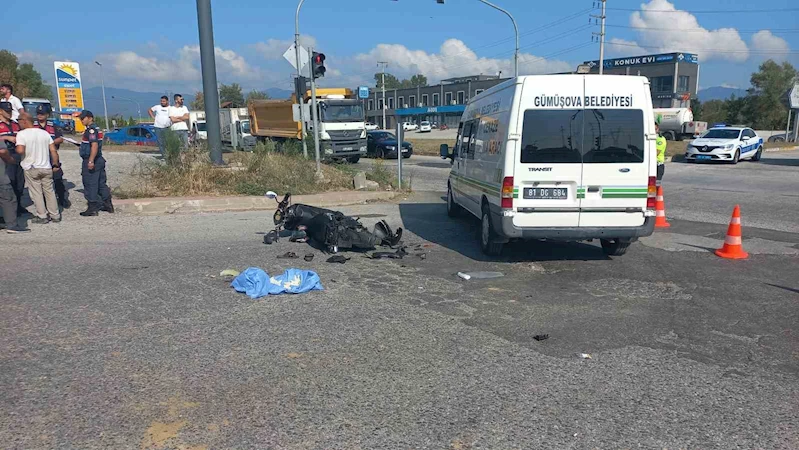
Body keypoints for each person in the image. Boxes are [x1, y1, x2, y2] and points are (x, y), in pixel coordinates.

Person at [15, 112, 60, 224]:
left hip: (31, 167)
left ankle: (42, 215)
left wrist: (16, 148)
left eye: (19, 121)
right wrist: (55, 164)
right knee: (49, 191)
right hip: (46, 166)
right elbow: (53, 150)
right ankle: (55, 215)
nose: (18, 123)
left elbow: (20, 150)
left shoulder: (21, 134)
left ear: (25, 121)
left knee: (36, 193)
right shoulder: (44, 133)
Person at [75, 110, 113, 216]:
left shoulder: (91, 130)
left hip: (92, 160)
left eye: (83, 118)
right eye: (80, 118)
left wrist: (91, 160)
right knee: (101, 183)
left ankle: (92, 208)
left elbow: (94, 145)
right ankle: (107, 204)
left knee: (90, 183)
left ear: (90, 118)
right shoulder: (96, 129)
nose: (81, 120)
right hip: (99, 159)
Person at [34, 104, 70, 209]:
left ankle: (62, 198)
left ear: (47, 114)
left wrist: (51, 142)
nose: (40, 116)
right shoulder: (33, 126)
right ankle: (44, 201)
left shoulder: (53, 125)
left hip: (51, 154)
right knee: (41, 179)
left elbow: (61, 138)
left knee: (57, 177)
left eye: (42, 114)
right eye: (38, 113)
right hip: (38, 155)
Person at [0, 102, 25, 215]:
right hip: (4, 156)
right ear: (0, 111)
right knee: (8, 182)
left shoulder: (15, 124)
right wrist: (6, 137)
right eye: (6, 111)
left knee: (19, 182)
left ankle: (18, 206)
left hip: (17, 154)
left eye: (10, 111)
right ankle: (7, 210)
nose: (9, 113)